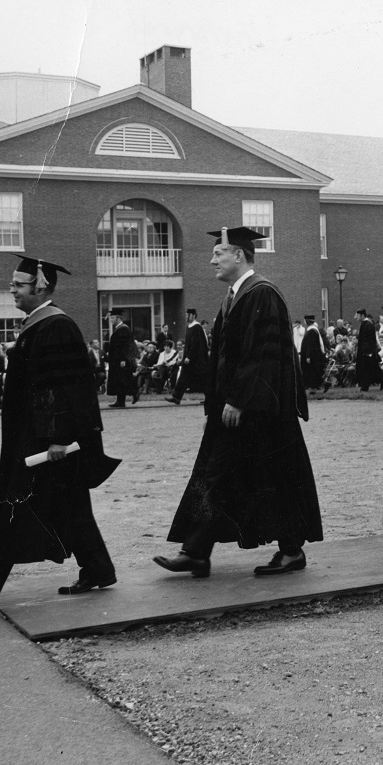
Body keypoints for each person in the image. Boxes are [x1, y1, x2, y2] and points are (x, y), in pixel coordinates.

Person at [154, 227, 322, 578]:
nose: (212, 260)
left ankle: (291, 551)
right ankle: (195, 551)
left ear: (240, 256)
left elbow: (260, 356)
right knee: (214, 477)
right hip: (233, 411)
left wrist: (238, 400)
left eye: (219, 253)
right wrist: (215, 406)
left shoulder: (262, 293)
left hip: (260, 412)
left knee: (271, 477)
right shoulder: (233, 297)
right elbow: (223, 359)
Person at [0, 256, 121, 611]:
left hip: (46, 441)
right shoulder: (38, 325)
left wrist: (60, 436)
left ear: (40, 286)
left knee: (14, 505)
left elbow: (69, 388)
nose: (12, 290)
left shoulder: (57, 326)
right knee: (71, 505)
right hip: (36, 435)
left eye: (18, 285)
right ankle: (98, 569)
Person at [166, 307, 209, 404]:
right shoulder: (189, 327)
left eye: (187, 315)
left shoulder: (197, 327)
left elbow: (195, 344)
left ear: (193, 315)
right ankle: (176, 397)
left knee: (203, 379)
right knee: (183, 376)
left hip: (196, 359)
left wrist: (189, 356)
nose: (186, 317)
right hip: (190, 358)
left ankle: (209, 398)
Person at [105, 307, 139, 407]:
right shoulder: (119, 328)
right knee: (120, 380)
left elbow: (124, 346)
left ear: (118, 318)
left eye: (112, 318)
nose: (111, 320)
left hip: (121, 359)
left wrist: (123, 359)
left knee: (123, 379)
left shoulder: (123, 329)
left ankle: (135, 392)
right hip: (117, 359)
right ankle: (120, 401)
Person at [354, 308, 383, 391]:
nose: (356, 317)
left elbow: (369, 340)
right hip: (367, 351)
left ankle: (366, 386)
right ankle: (380, 380)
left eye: (358, 315)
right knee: (371, 368)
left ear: (362, 315)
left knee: (367, 369)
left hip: (367, 351)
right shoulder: (366, 324)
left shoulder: (367, 324)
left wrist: (366, 351)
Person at [300, 314, 327, 392]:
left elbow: (310, 344)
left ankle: (313, 388)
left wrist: (308, 356)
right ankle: (321, 385)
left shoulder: (311, 331)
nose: (304, 322)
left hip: (311, 356)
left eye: (304, 320)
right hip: (314, 355)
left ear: (307, 321)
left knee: (311, 372)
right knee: (314, 372)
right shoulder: (313, 330)